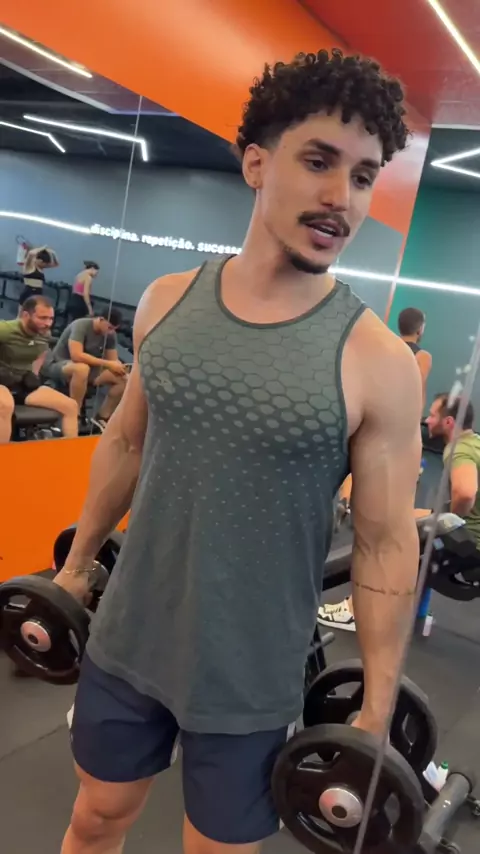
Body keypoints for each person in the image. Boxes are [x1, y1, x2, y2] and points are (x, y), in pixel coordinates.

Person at [55, 49, 422, 854]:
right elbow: (125, 440)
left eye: (363, 176)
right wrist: (78, 566)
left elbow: (386, 541)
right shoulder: (167, 302)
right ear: (256, 162)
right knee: (95, 818)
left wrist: (376, 703)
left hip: (251, 678)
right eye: (319, 161)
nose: (342, 197)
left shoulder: (377, 362)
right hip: (129, 639)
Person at [318, 305, 433, 632]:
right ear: (420, 328)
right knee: (388, 523)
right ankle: (361, 612)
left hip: (367, 424)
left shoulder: (384, 348)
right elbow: (415, 395)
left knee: (364, 495)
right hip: (395, 432)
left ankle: (347, 503)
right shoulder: (420, 357)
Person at [0, 295, 78, 443]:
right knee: (5, 405)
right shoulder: (5, 329)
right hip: (1, 384)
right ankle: (3, 456)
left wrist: (33, 374)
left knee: (71, 406)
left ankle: (71, 454)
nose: (48, 323)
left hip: (22, 386)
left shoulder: (44, 335)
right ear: (25, 315)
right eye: (42, 318)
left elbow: (41, 353)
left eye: (51, 318)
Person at [41, 308, 126, 431]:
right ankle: (75, 413)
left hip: (89, 370)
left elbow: (112, 360)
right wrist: (108, 364)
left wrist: (118, 366)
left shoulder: (110, 335)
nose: (111, 332)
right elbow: (76, 355)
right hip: (60, 364)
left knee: (123, 378)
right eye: (109, 328)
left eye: (114, 329)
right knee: (82, 369)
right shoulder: (81, 325)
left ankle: (101, 418)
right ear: (101, 319)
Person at [426, 393, 480, 546]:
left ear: (448, 422)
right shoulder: (475, 442)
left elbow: (465, 494)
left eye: (432, 416)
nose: (427, 420)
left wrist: (450, 522)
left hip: (473, 544)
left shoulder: (457, 449)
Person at [398, 307, 432, 404]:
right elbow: (418, 394)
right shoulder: (422, 357)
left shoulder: (387, 347)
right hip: (402, 408)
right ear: (420, 329)